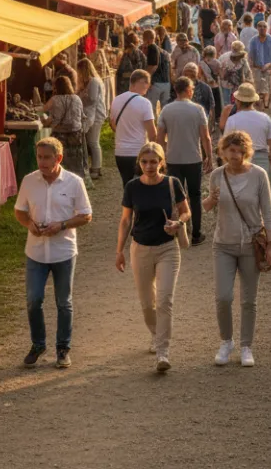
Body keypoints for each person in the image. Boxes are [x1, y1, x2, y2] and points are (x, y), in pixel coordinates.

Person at [13, 138, 93, 368]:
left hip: (64, 252)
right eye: (39, 157)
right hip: (35, 252)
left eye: (47, 158)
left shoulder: (74, 182)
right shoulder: (29, 181)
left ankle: (63, 348)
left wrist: (62, 225)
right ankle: (38, 344)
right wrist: (29, 225)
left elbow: (86, 215)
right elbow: (20, 211)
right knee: (33, 299)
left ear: (58, 158)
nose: (42, 162)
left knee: (63, 302)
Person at [115, 142, 191, 373]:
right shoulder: (132, 187)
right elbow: (126, 220)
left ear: (161, 162)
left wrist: (179, 222)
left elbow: (186, 211)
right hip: (140, 248)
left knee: (165, 300)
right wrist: (119, 250)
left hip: (168, 247)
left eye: (154, 161)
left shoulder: (172, 183)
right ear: (139, 163)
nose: (149, 166)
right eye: (145, 162)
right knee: (148, 303)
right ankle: (156, 333)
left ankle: (162, 351)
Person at [204, 131, 271, 367]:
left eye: (239, 151)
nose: (234, 155)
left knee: (249, 299)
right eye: (230, 150)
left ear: (246, 153)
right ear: (222, 151)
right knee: (223, 297)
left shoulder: (259, 175)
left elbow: (268, 211)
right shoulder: (216, 175)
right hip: (223, 244)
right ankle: (226, 341)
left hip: (250, 244)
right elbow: (205, 206)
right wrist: (211, 201)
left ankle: (247, 346)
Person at [157, 77, 214, 246]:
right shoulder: (197, 110)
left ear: (175, 90)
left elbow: (159, 138)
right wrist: (209, 157)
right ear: (189, 90)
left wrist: (160, 158)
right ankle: (196, 233)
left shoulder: (166, 110)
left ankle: (175, 230)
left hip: (173, 159)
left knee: (175, 197)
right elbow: (206, 137)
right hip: (193, 158)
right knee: (195, 196)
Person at [110, 69, 158, 185]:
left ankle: (127, 203)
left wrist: (125, 132)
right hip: (138, 151)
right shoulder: (144, 103)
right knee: (142, 186)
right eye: (147, 83)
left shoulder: (116, 100)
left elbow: (112, 124)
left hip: (120, 152)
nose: (148, 86)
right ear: (140, 82)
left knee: (127, 186)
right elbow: (152, 133)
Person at [222, 83, 271, 178]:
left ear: (238, 101)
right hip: (262, 161)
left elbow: (225, 146)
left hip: (240, 160)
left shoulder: (232, 120)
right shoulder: (265, 118)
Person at [43, 76, 86, 177]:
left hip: (59, 133)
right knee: (76, 158)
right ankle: (77, 178)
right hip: (76, 133)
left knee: (59, 157)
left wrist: (42, 118)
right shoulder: (77, 98)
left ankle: (59, 177)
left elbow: (42, 110)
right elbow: (82, 116)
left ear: (56, 87)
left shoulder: (54, 99)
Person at [77, 58, 107, 181]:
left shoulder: (94, 82)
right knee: (92, 142)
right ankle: (95, 166)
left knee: (93, 142)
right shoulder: (93, 81)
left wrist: (82, 96)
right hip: (93, 114)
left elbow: (92, 99)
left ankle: (96, 167)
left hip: (96, 114)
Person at [247, 19, 271, 110]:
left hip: (268, 68)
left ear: (267, 28)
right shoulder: (253, 41)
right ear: (257, 28)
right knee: (258, 89)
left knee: (269, 89)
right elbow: (250, 56)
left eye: (264, 26)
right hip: (257, 68)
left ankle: (266, 105)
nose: (262, 28)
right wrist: (251, 68)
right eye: (260, 26)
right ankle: (261, 106)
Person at [142, 30, 172, 110]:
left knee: (151, 110)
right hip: (166, 83)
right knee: (165, 110)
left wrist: (147, 80)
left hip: (155, 83)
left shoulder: (151, 48)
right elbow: (170, 70)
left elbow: (153, 66)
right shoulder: (165, 53)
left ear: (145, 38)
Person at [219, 40, 253, 104]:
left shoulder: (243, 60)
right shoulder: (223, 59)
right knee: (228, 104)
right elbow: (219, 73)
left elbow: (248, 72)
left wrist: (250, 83)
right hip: (226, 86)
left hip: (239, 86)